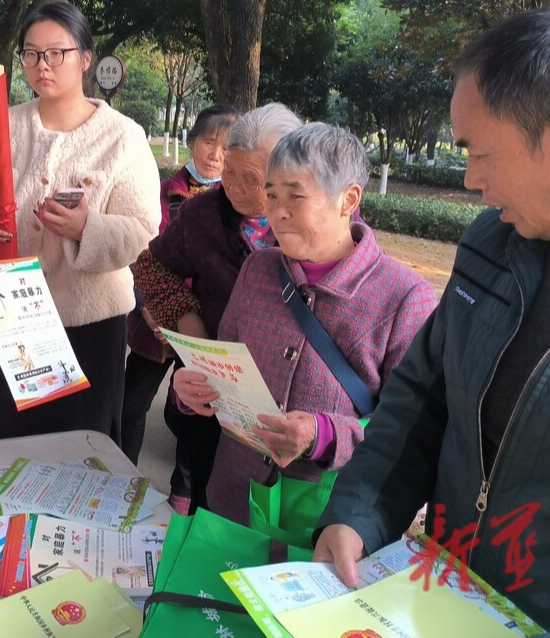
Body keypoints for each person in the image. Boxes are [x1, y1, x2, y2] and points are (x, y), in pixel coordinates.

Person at [314, 7, 550, 634]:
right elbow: (423, 395)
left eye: (479, 154)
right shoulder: (494, 243)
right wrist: (357, 511)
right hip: (441, 600)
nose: (470, 182)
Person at [173, 123, 437, 525]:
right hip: (232, 502)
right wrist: (192, 394)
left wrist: (324, 435)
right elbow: (221, 369)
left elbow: (411, 430)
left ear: (348, 199)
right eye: (272, 194)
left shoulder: (405, 297)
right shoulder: (258, 270)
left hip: (325, 522)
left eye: (295, 196)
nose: (277, 212)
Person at [0, 0, 160, 442]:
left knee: (81, 449)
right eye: (31, 53)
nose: (41, 65)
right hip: (9, 320)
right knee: (4, 442)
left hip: (88, 328)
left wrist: (87, 230)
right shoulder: (1, 127)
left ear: (86, 57)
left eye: (56, 53)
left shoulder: (124, 138)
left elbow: (143, 230)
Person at [131, 103, 301, 514]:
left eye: (253, 180)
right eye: (229, 173)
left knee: (281, 513)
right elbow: (152, 268)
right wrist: (192, 332)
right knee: (208, 495)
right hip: (218, 384)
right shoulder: (202, 213)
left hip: (293, 398)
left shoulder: (315, 221)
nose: (236, 189)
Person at [121, 103, 238, 465]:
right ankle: (122, 480)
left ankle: (183, 496)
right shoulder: (160, 194)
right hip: (152, 327)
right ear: (191, 142)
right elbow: (139, 256)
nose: (216, 155)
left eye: (226, 148)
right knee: (130, 408)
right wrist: (148, 308)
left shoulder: (236, 207)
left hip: (207, 331)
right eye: (209, 142)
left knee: (192, 415)